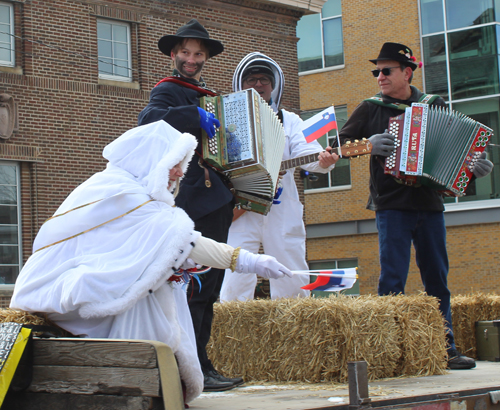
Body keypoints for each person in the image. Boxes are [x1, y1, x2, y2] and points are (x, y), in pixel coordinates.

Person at [9, 120, 293, 405]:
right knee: (146, 301)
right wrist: (245, 260)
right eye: (174, 163)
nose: (180, 172)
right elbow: (186, 242)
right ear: (152, 160)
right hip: (77, 301)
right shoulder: (130, 197)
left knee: (156, 288)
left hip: (57, 294)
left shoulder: (106, 186)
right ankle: (145, 387)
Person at [337, 42, 494, 370]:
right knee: (392, 278)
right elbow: (337, 146)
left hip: (430, 203)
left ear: (407, 72)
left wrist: (476, 165)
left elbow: (458, 146)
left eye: (386, 70)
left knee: (437, 277)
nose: (379, 76)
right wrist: (369, 145)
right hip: (391, 204)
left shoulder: (433, 105)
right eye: (376, 71)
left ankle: (445, 348)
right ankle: (390, 351)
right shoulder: (370, 108)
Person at [137, 19, 242, 391]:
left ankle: (202, 362)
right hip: (192, 200)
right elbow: (148, 122)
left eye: (198, 54)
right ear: (173, 55)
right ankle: (193, 368)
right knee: (195, 285)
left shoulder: (207, 94)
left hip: (217, 198)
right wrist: (191, 116)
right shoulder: (169, 91)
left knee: (210, 286)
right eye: (185, 52)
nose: (191, 59)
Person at [220, 53, 338, 302]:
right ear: (240, 84)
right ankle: (233, 333)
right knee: (234, 275)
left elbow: (309, 154)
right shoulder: (226, 119)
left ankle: (295, 332)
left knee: (290, 272)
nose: (259, 84)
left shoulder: (290, 120)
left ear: (274, 86)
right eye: (251, 79)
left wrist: (323, 161)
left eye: (265, 79)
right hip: (241, 207)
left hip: (281, 207)